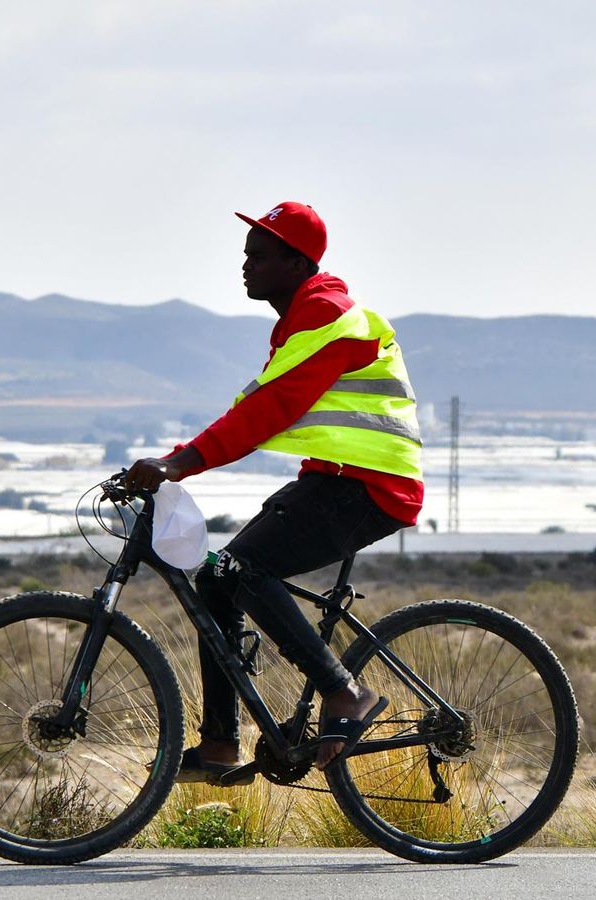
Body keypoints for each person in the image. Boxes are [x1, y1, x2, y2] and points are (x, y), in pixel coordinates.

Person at [123, 201, 425, 781]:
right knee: (216, 577)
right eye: (246, 255)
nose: (246, 265)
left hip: (366, 483)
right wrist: (175, 461)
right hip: (337, 478)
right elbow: (258, 407)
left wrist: (178, 463)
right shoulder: (298, 322)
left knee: (241, 570)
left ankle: (345, 693)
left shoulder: (327, 315)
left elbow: (266, 411)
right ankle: (220, 745)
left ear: (296, 261)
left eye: (259, 256)